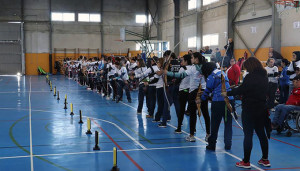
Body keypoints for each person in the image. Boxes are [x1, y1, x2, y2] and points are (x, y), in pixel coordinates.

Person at [222, 57, 270, 169]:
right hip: (262, 109)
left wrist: (227, 93)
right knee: (261, 134)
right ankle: (265, 159)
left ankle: (246, 161)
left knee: (248, 135)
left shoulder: (249, 77)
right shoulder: (264, 77)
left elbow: (241, 90)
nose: (246, 69)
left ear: (251, 66)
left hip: (249, 109)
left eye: (247, 67)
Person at [165, 52, 210, 141]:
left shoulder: (193, 68)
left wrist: (168, 73)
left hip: (194, 92)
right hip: (204, 92)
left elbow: (181, 75)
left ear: (196, 59)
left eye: (192, 58)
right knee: (205, 113)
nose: (191, 59)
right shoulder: (205, 66)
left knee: (193, 114)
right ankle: (208, 134)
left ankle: (192, 136)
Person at [200, 62, 233, 150]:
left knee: (215, 125)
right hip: (229, 100)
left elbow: (208, 89)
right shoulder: (223, 73)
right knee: (228, 124)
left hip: (218, 102)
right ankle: (228, 144)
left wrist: (201, 98)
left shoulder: (212, 76)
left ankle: (212, 145)